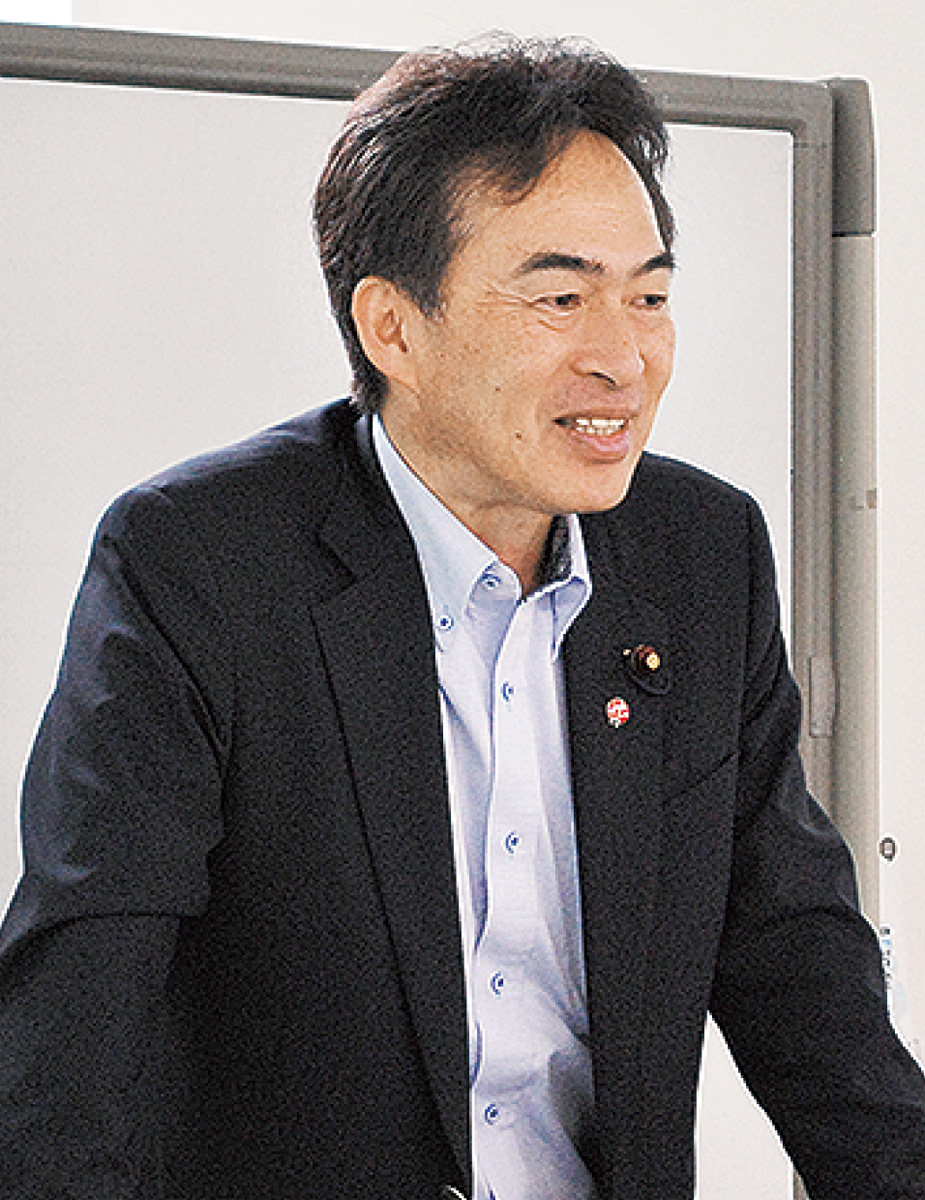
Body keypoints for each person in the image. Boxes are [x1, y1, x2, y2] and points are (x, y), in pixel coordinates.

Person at [0, 36, 923, 1200]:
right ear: (392, 327)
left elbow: (799, 965)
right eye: (559, 298)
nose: (623, 357)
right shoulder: (201, 563)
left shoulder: (699, 556)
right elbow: (76, 1024)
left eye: (648, 297)